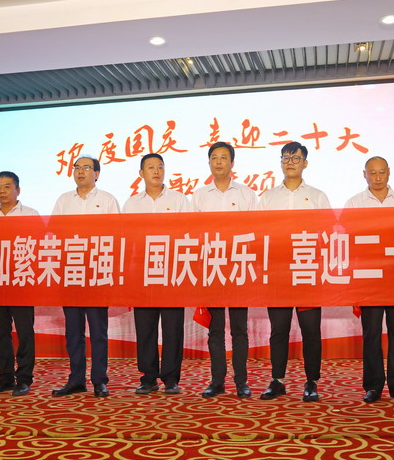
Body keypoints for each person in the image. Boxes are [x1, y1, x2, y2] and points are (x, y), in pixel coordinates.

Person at [258, 141, 330, 402]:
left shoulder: (318, 196)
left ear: (305, 163)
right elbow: (258, 233)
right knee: (279, 329)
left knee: (311, 329)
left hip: (307, 270)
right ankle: (277, 380)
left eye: (295, 158)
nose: (290, 162)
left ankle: (312, 381)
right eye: (286, 158)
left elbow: (327, 233)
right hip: (278, 272)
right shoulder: (267, 197)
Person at [190, 141, 258, 398]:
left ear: (232, 163)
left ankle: (241, 381)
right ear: (209, 163)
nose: (218, 162)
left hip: (239, 266)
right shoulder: (199, 196)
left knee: (240, 329)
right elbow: (192, 233)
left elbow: (256, 231)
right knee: (215, 329)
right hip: (211, 268)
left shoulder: (247, 194)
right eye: (214, 158)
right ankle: (217, 380)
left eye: (223, 157)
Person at [344, 156, 394, 404]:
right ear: (364, 174)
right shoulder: (354, 203)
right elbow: (347, 238)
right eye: (372, 173)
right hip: (369, 277)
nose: (377, 177)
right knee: (371, 334)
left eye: (381, 172)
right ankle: (373, 386)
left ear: (389, 172)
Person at [50, 155, 120, 398]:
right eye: (77, 167)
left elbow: (116, 236)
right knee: (73, 332)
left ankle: (100, 380)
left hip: (97, 273)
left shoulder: (107, 200)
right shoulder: (63, 200)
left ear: (97, 174)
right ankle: (76, 380)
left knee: (98, 332)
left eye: (86, 168)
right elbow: (54, 233)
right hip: (71, 272)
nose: (80, 171)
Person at [123, 153, 189, 395]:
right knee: (145, 328)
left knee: (173, 329)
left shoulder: (179, 200)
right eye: (150, 167)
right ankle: (148, 377)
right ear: (141, 173)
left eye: (160, 167)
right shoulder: (132, 204)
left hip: (172, 272)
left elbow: (188, 234)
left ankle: (171, 378)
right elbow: (126, 240)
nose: (156, 171)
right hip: (142, 273)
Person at [0, 171, 39, 397]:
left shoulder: (31, 215)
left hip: (22, 282)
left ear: (18, 190)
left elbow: (40, 247)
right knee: (0, 332)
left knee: (25, 332)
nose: (2, 191)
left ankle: (24, 379)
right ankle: (5, 378)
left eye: (7, 186)